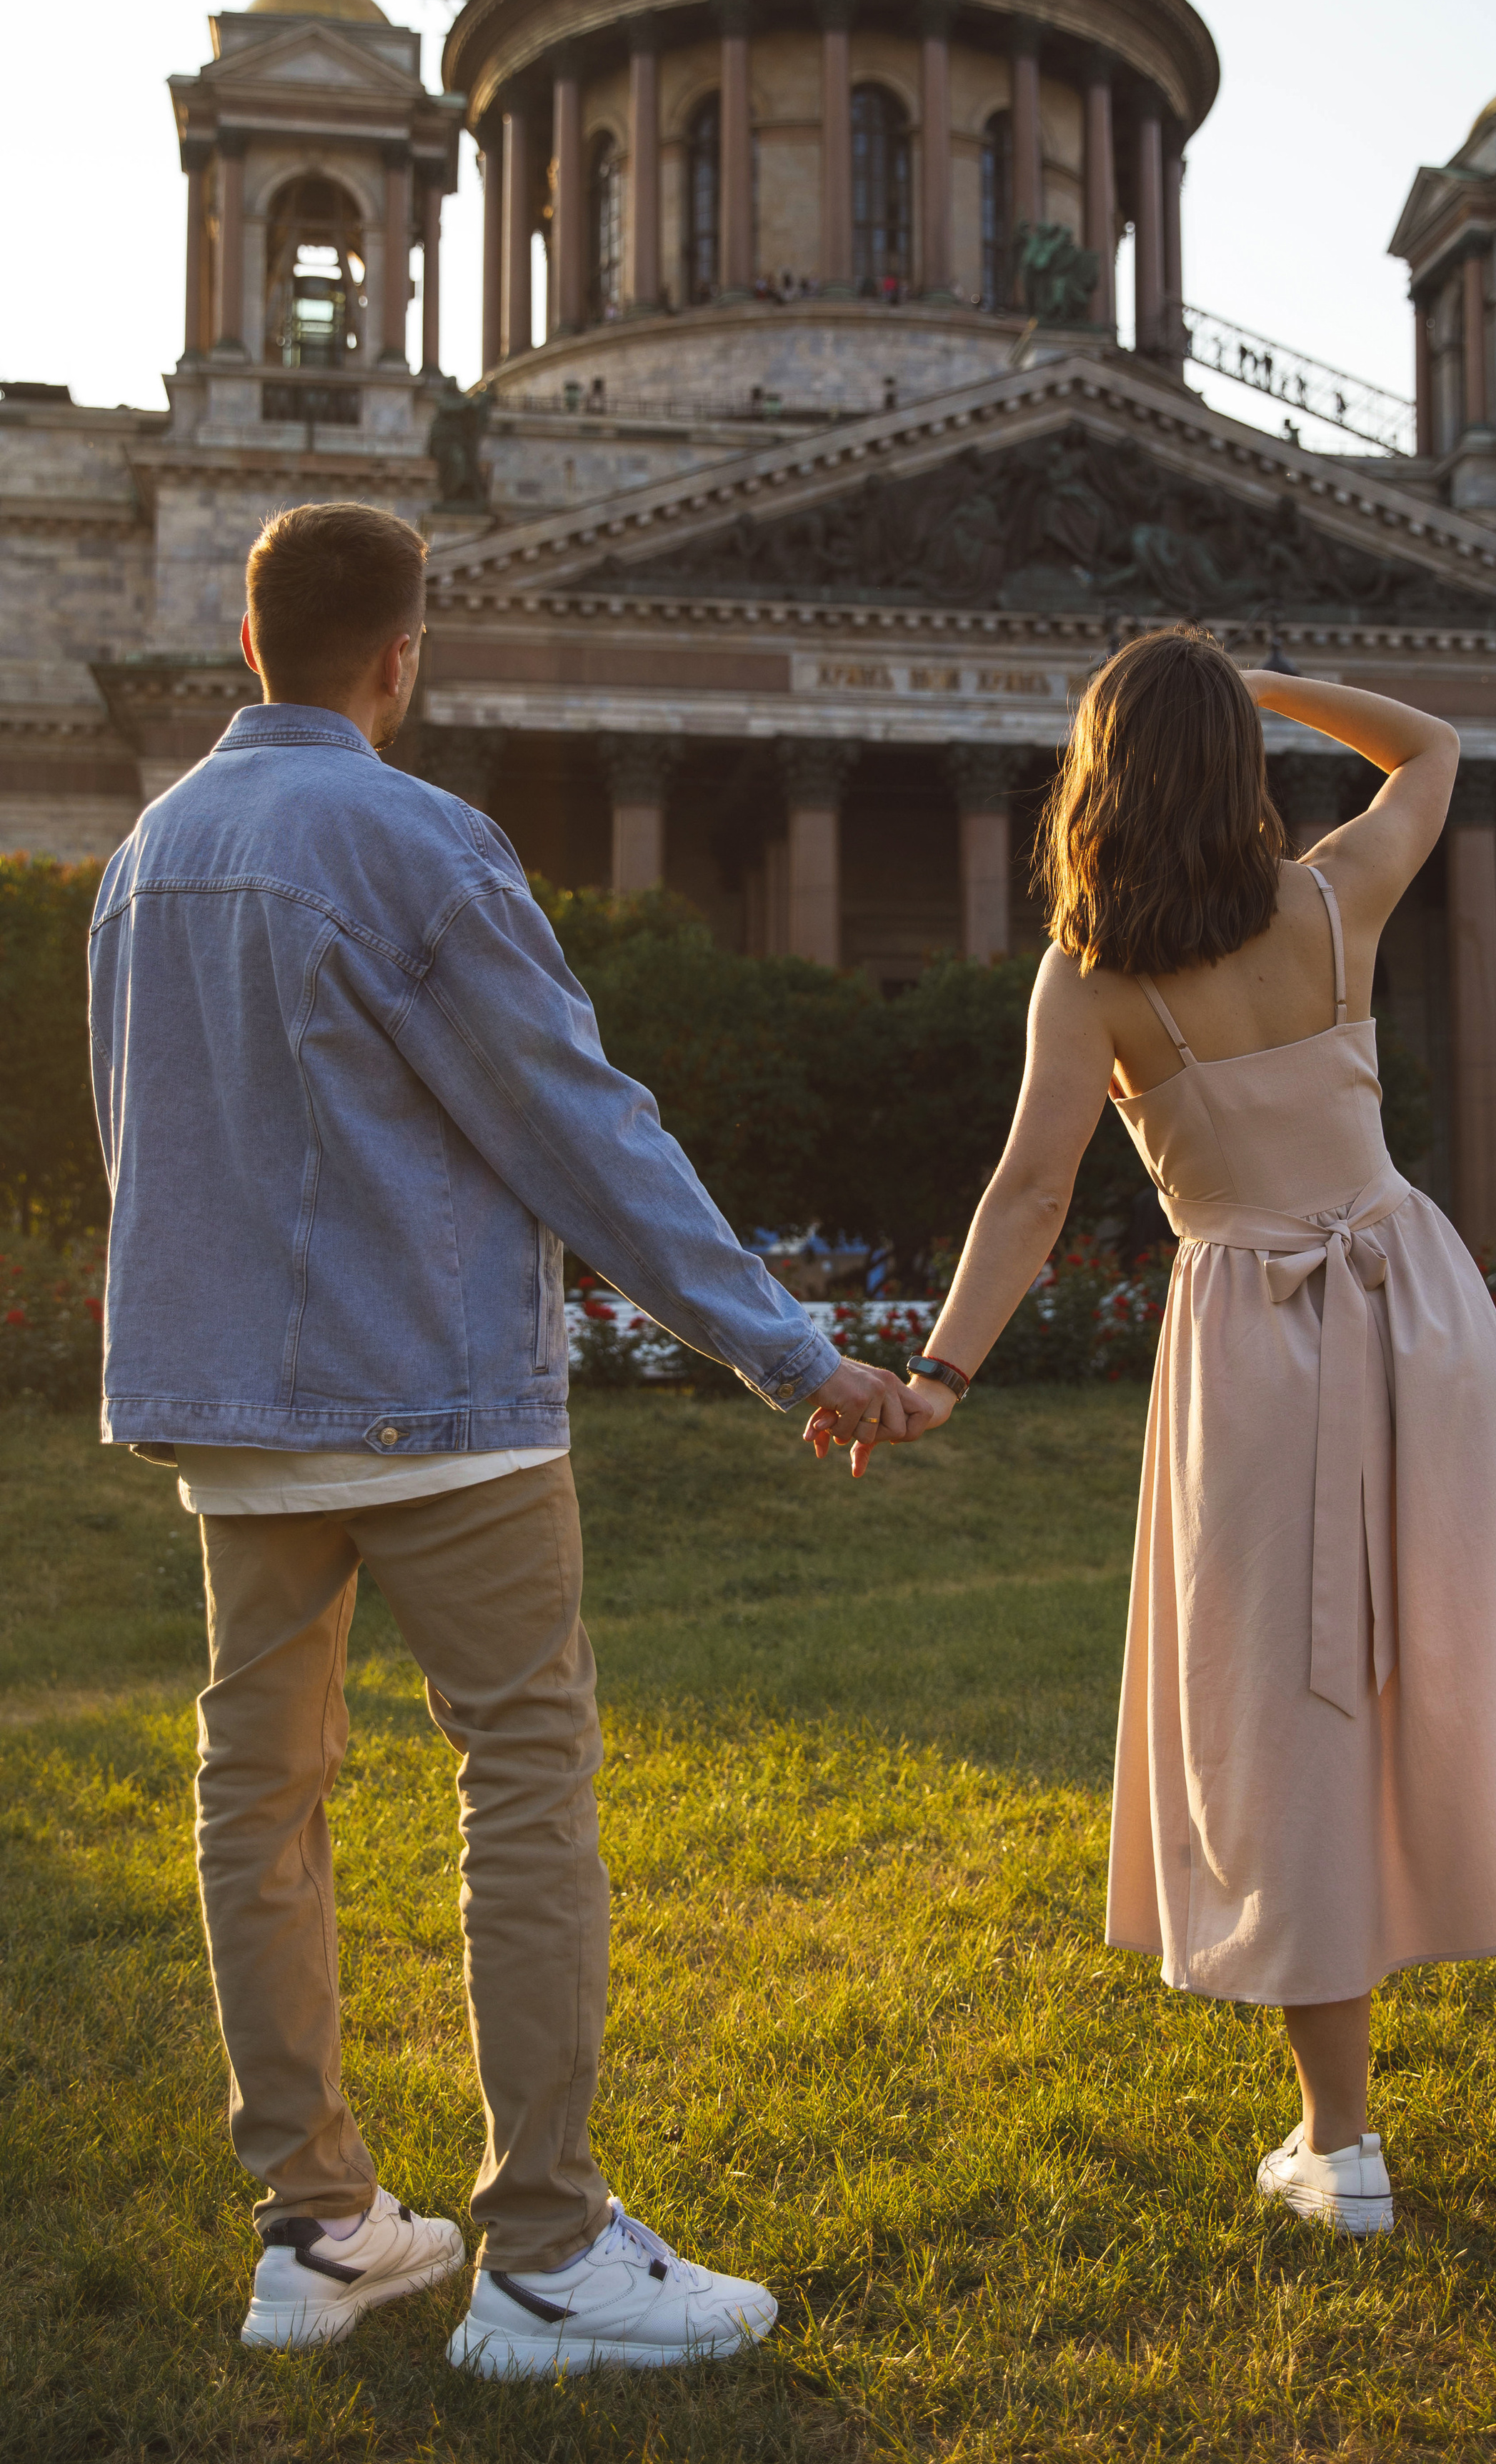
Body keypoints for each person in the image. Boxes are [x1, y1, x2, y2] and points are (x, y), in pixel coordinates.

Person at [87, 501, 924, 2369]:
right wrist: (793, 1357)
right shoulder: (413, 836)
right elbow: (581, 1126)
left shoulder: (144, 858)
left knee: (260, 1802)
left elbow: (143, 1142)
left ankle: (317, 2233)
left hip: (231, 1421)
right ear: (400, 657)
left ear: (247, 648)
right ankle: (544, 2247)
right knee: (523, 1786)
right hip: (436, 1405)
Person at [891, 626, 1496, 2234]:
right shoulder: (1332, 898)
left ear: (1099, 781)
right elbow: (1428, 749)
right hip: (1421, 1310)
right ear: (1234, 770)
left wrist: (941, 1369)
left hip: (1255, 1350)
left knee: (1285, 1725)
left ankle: (1337, 2148)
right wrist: (1262, 682)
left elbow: (1030, 1194)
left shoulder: (1093, 977)